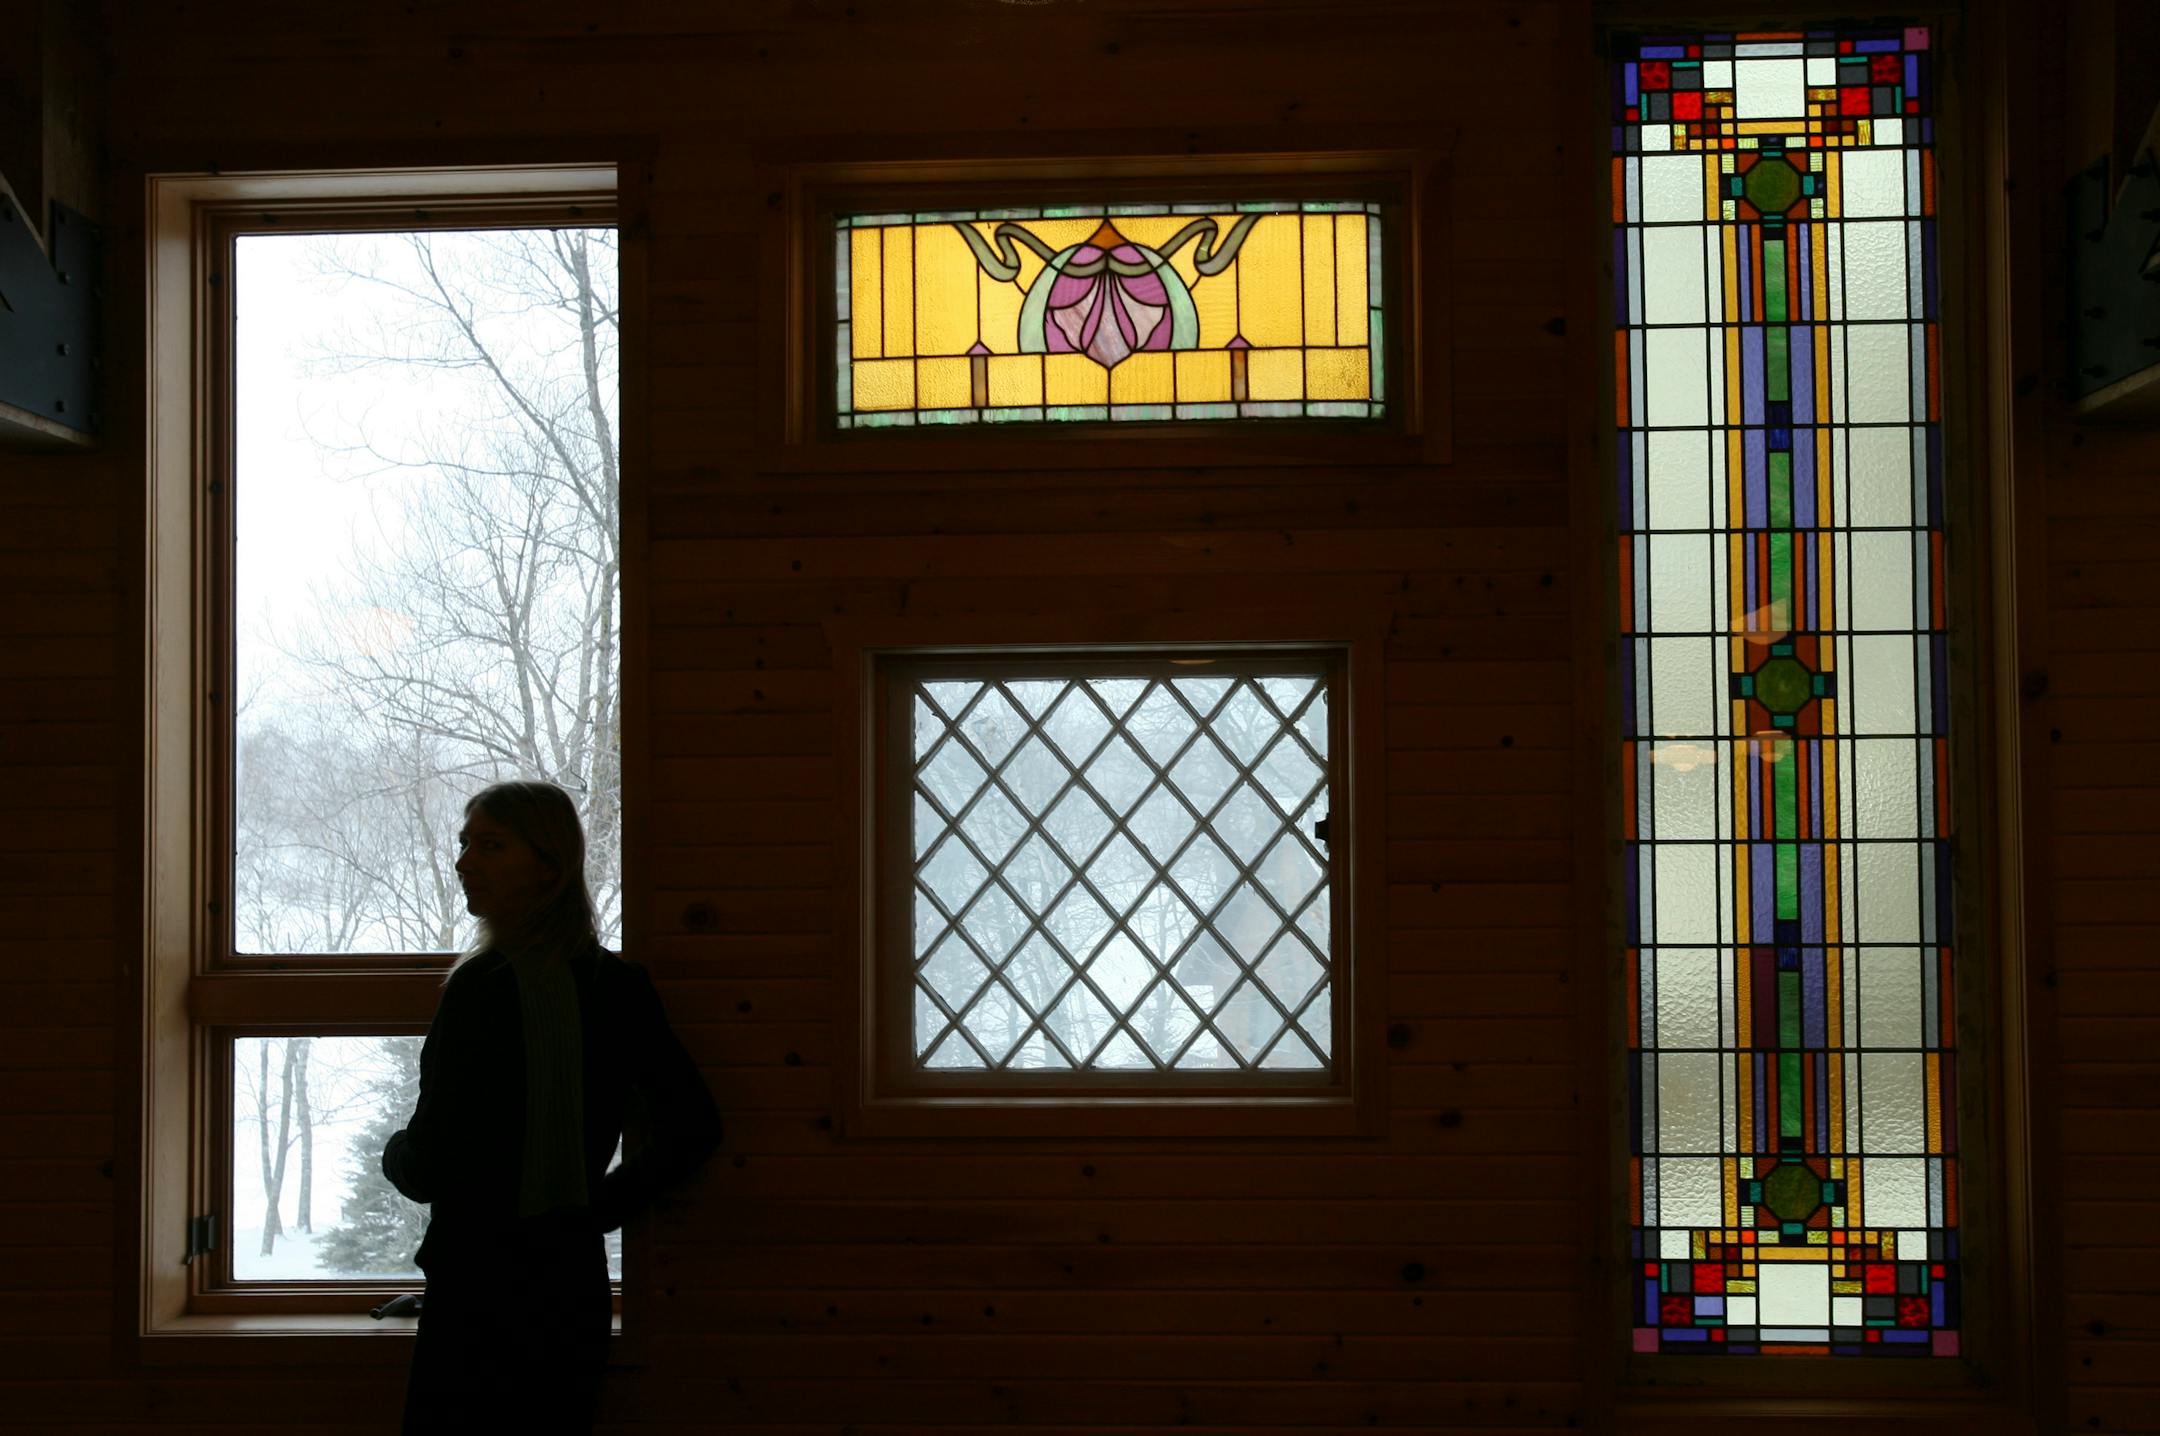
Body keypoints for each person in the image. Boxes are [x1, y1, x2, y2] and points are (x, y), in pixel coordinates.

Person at [383, 780, 721, 1434]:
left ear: (547, 866)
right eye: (464, 844)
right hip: (568, 1293)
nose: (463, 862)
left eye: (490, 845)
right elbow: (694, 1127)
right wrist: (599, 1206)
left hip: (475, 1298)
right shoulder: (616, 987)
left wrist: (393, 1154)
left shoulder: (480, 990)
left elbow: (427, 1165)